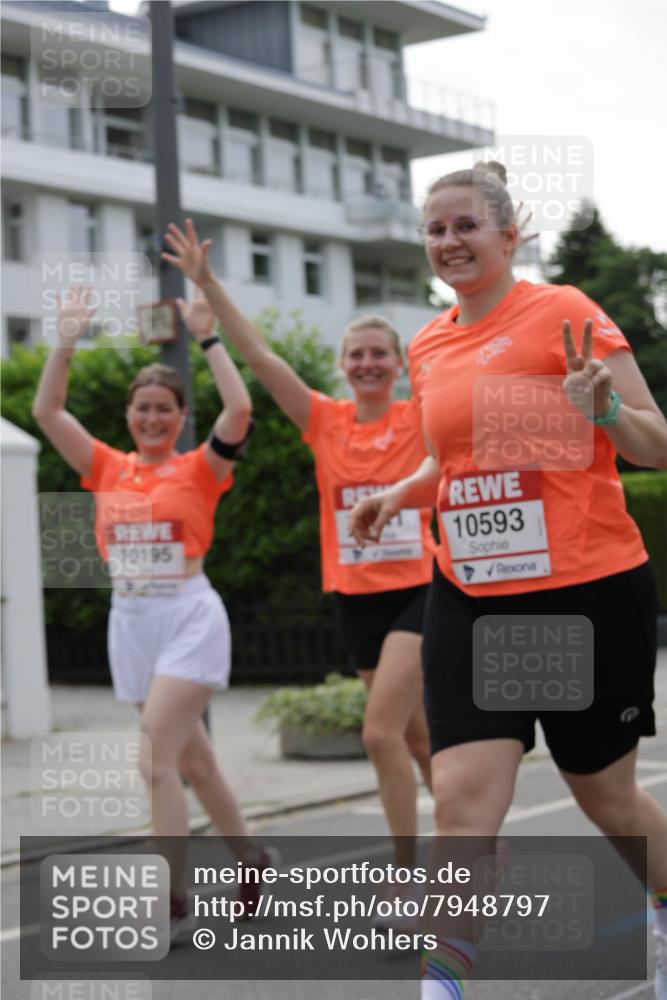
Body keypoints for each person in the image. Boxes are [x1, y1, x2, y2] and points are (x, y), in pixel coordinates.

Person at [348, 162, 667, 997]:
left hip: (583, 591)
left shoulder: (564, 312)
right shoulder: (428, 342)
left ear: (506, 234)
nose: (447, 242)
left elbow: (654, 446)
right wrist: (395, 493)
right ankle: (441, 985)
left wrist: (598, 409)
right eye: (435, 229)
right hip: (473, 593)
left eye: (464, 227)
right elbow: (449, 464)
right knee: (459, 798)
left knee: (607, 800)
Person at [162, 219, 434, 912]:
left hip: (421, 590)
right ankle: (475, 833)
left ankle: (407, 875)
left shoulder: (417, 419)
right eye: (358, 355)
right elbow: (257, 354)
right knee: (412, 733)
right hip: (356, 596)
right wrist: (208, 286)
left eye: (380, 354)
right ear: (343, 364)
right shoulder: (323, 420)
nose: (369, 363)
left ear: (398, 365)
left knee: (378, 733)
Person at [32, 285, 273, 940]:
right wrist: (66, 339)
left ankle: (170, 898)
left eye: (165, 409)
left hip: (189, 617)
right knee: (193, 762)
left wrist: (208, 335)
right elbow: (47, 410)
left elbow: (241, 406)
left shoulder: (201, 468)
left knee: (153, 762)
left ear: (180, 415)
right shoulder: (106, 467)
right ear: (129, 414)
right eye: (143, 409)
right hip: (132, 622)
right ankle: (250, 859)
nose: (153, 418)